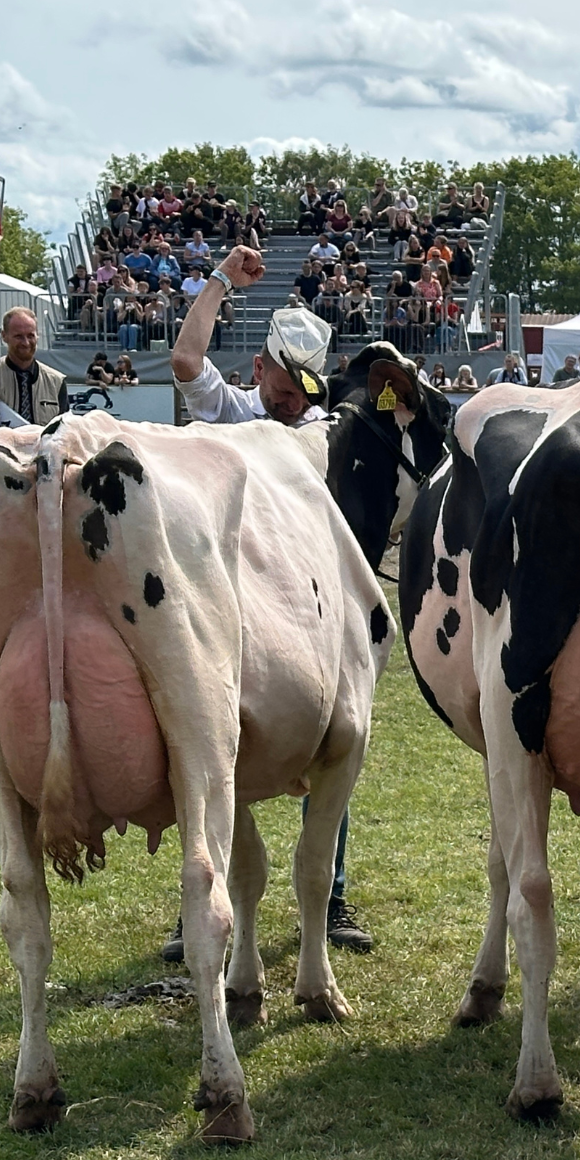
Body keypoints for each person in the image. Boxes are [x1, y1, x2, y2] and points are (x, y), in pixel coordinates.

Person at [164, 244, 372, 957]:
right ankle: (199, 895)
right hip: (220, 604)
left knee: (332, 730)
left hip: (295, 606)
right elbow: (187, 362)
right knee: (204, 744)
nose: (295, 402)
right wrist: (220, 280)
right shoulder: (227, 410)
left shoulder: (313, 433)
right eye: (287, 386)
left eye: (307, 390)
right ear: (262, 368)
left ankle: (332, 893)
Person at [0, 308, 67, 435]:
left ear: (38, 335)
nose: (26, 343)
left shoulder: (57, 382)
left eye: (30, 335)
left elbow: (63, 434)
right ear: (4, 336)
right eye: (18, 336)